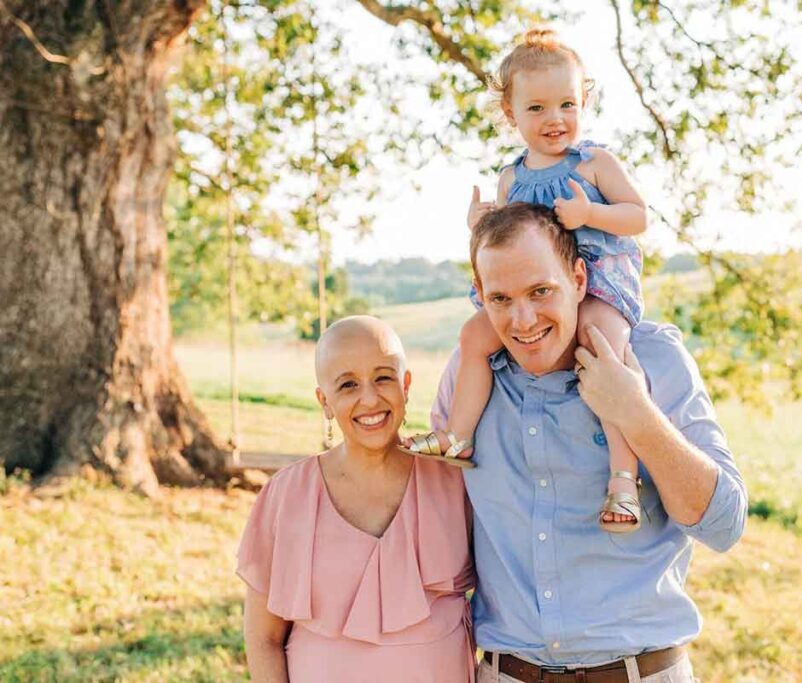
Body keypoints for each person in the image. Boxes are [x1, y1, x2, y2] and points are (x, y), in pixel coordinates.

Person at [432, 204, 747, 682]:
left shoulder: (654, 357)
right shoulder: (469, 375)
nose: (522, 320)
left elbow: (723, 526)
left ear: (579, 279)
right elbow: (434, 513)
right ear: (479, 294)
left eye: (541, 291)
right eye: (500, 299)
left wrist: (635, 412)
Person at [405, 27, 650, 533]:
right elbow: (508, 240)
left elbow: (638, 216)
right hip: (534, 295)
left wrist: (590, 215)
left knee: (604, 351)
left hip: (599, 282)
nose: (554, 119)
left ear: (584, 102)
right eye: (536, 108)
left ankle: (624, 477)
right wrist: (479, 224)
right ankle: (458, 434)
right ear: (511, 113)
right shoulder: (511, 178)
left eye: (566, 104)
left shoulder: (596, 162)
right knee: (475, 336)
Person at [236, 316, 475, 683]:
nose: (369, 398)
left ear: (406, 384)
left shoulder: (454, 482)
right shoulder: (287, 496)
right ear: (324, 401)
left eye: (383, 377)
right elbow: (263, 638)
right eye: (348, 385)